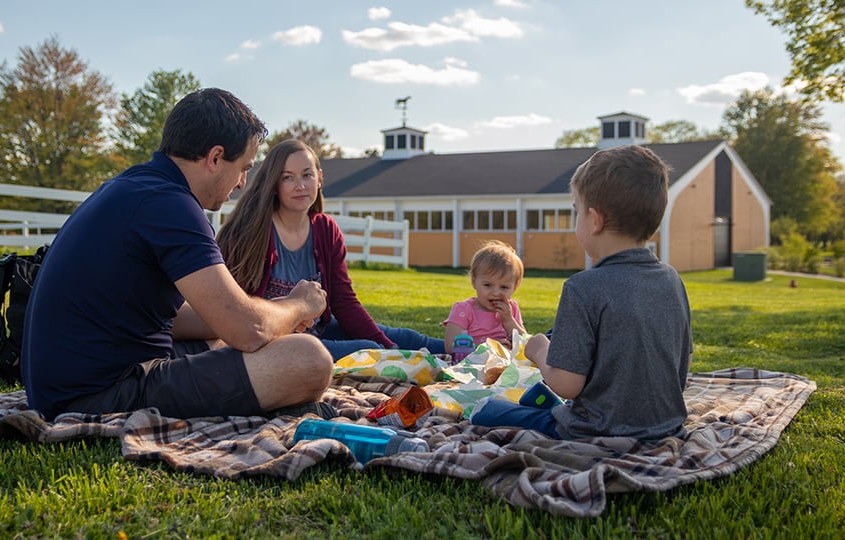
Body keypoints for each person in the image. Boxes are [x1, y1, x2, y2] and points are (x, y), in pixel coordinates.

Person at [22, 88, 334, 422]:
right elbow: (249, 330)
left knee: (221, 335)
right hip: (95, 393)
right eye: (243, 167)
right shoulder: (172, 205)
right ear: (215, 158)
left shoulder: (136, 187)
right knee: (309, 359)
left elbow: (198, 319)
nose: (243, 183)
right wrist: (300, 304)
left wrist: (271, 317)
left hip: (70, 380)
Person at [471, 144, 692, 440]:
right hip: (666, 425)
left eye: (576, 211)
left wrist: (538, 350)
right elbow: (681, 364)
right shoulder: (672, 279)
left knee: (488, 410)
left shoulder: (583, 287)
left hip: (597, 429)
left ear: (595, 221)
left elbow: (566, 385)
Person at [215, 139, 445, 361]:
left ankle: (468, 351)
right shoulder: (251, 232)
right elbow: (236, 312)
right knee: (367, 349)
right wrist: (385, 352)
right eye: (288, 177)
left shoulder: (325, 229)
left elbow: (343, 303)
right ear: (274, 184)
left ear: (319, 178)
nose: (300, 185)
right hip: (274, 342)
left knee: (404, 337)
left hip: (320, 329)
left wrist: (390, 348)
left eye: (307, 175)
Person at [443, 240, 526, 353]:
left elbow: (524, 344)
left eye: (504, 287)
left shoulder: (512, 309)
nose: (496, 292)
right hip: (472, 365)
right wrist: (491, 348)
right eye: (488, 285)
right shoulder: (463, 310)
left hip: (505, 366)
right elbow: (450, 347)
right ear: (474, 281)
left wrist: (508, 320)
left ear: (515, 287)